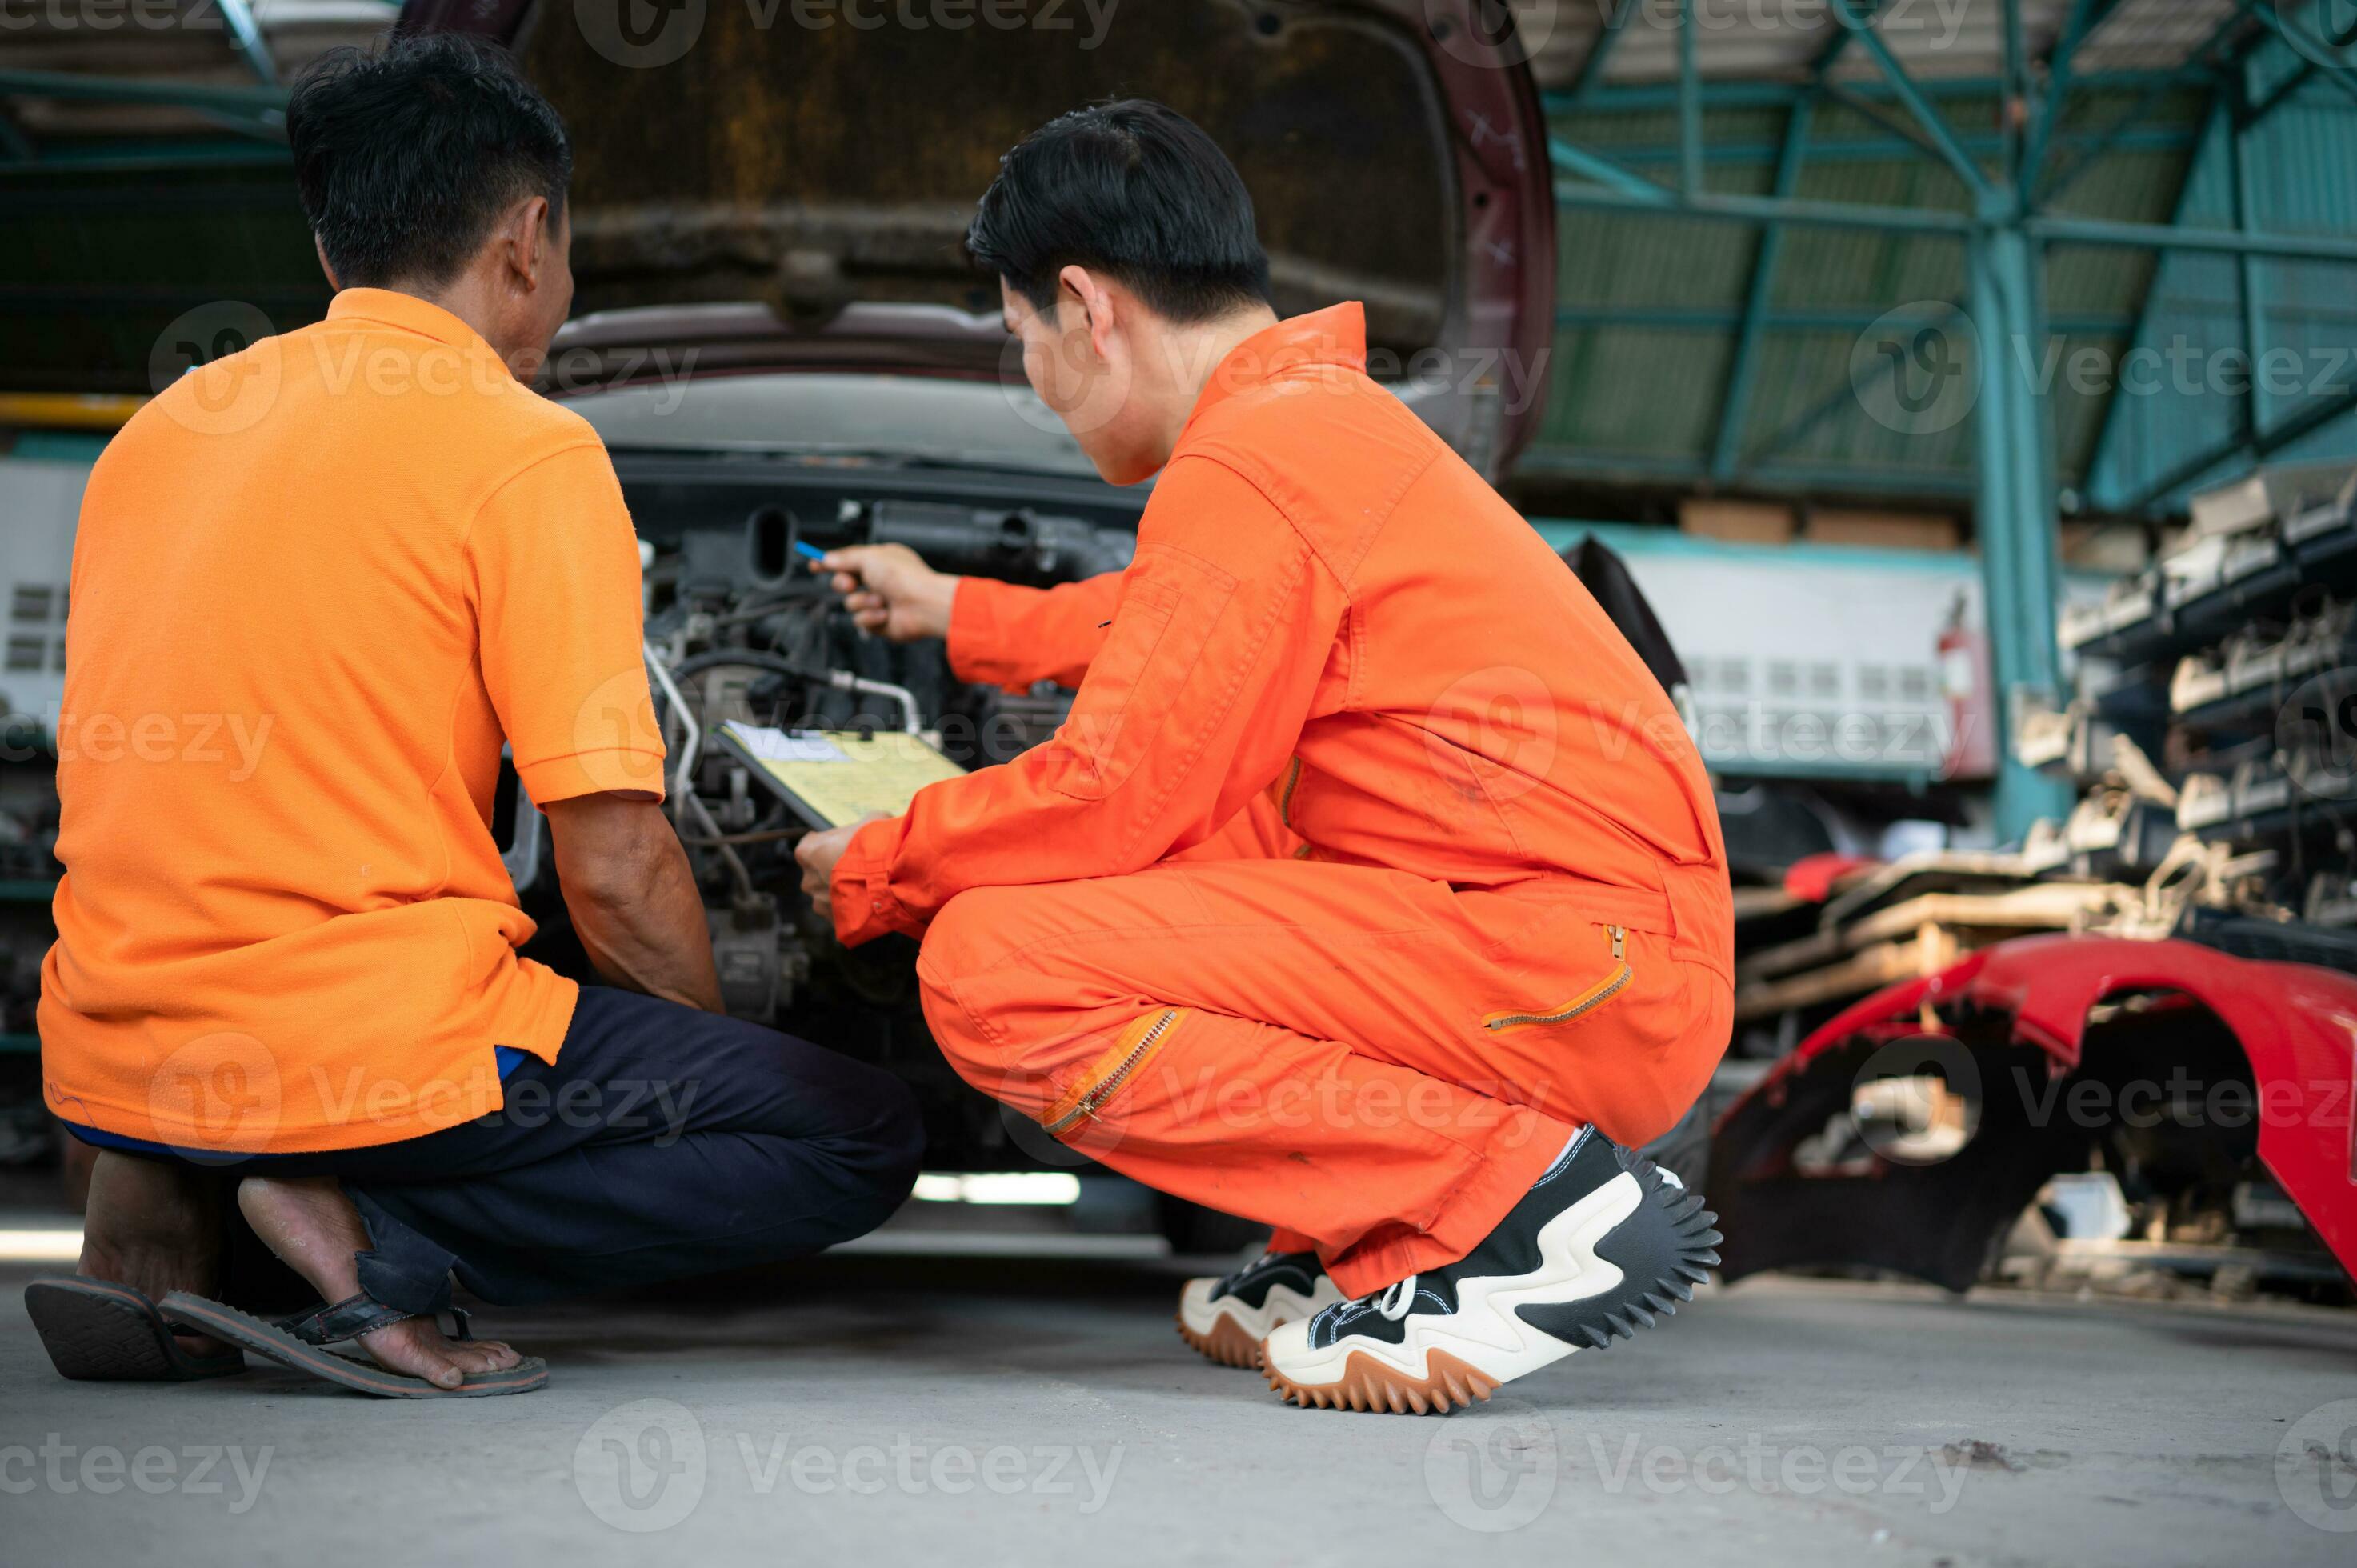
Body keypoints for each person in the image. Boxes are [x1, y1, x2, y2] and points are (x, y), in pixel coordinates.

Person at [798, 100, 1730, 1414]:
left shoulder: (1257, 460)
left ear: (1086, 306)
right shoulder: (1311, 430)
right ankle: (1360, 1242)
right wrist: (959, 612)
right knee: (1226, 822)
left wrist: (879, 865)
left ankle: (1529, 1210)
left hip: (1569, 973)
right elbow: (1169, 627)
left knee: (996, 964)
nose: (1038, 383)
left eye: (1023, 343)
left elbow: (1115, 794)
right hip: (1590, 963)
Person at [31, 33, 922, 1399]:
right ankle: (352, 1230)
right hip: (358, 1035)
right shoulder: (522, 445)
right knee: (852, 1132)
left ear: (333, 253)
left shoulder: (161, 430)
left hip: (112, 1033)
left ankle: (198, 1181)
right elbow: (616, 871)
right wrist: (714, 1049)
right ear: (527, 240)